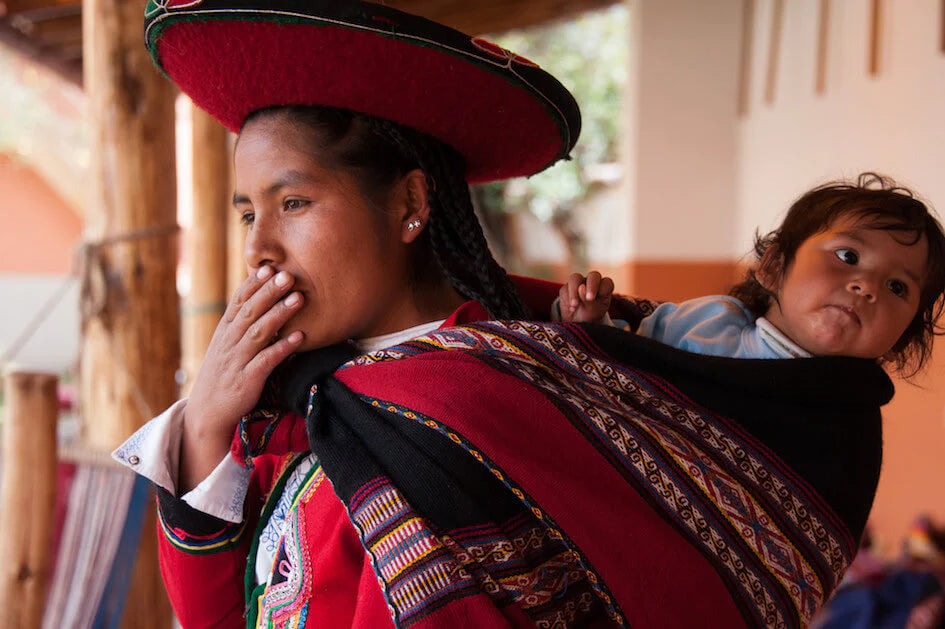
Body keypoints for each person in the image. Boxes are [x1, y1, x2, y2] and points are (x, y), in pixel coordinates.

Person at [116, 2, 905, 627]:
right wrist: (207, 429)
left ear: (410, 204)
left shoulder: (499, 404)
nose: (261, 248)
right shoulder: (298, 405)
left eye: (293, 202)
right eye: (247, 212)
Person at [558, 174, 945, 375]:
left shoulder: (847, 416)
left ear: (901, 338)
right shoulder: (705, 323)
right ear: (775, 267)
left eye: (897, 286)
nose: (867, 287)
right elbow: (617, 373)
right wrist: (591, 324)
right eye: (847, 255)